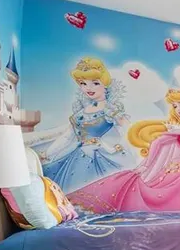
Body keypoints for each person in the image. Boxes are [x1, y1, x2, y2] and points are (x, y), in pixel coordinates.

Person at [68, 90, 180, 213]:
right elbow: (158, 143)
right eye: (175, 106)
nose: (179, 109)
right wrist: (147, 164)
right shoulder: (177, 129)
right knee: (179, 187)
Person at [26, 58, 135, 191]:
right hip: (78, 157)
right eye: (83, 83)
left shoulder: (111, 110)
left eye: (95, 83)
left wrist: (111, 147)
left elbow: (128, 130)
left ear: (105, 84)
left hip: (102, 155)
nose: (88, 88)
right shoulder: (80, 113)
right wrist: (47, 154)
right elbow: (67, 137)